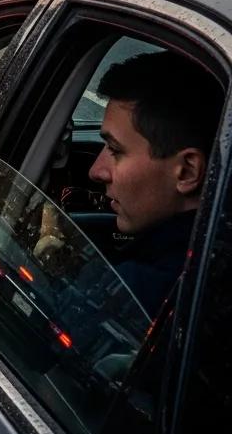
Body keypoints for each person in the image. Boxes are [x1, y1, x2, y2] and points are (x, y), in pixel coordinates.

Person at [87, 50, 224, 314]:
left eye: (115, 150)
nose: (96, 171)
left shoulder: (140, 294)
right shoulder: (210, 259)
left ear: (186, 172)